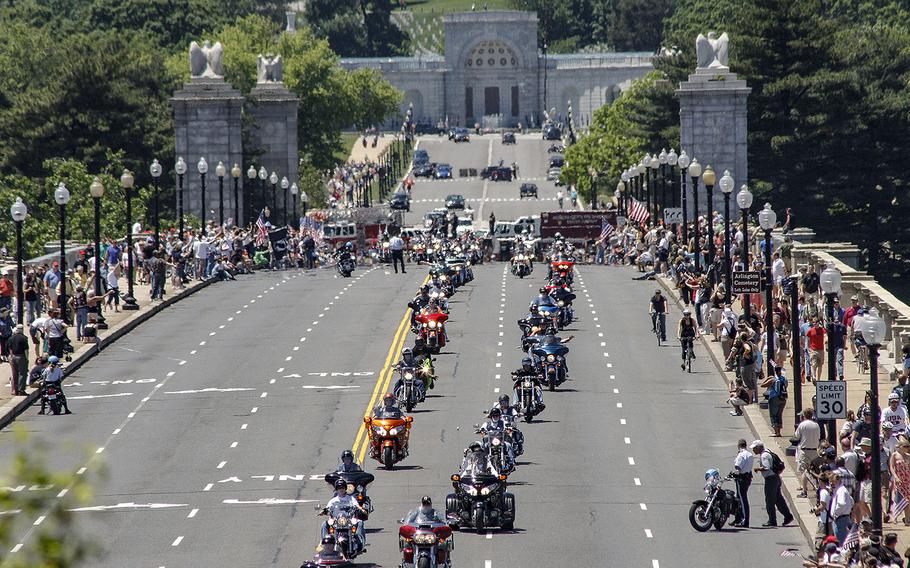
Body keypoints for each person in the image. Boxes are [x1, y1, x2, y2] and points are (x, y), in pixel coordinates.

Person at [751, 440, 793, 527]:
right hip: (776, 478)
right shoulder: (768, 452)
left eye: (754, 448)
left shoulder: (764, 456)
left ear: (759, 448)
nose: (753, 450)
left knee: (769, 500)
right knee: (778, 499)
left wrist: (757, 469)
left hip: (771, 480)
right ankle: (788, 516)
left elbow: (766, 468)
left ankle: (772, 520)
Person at [320, 478, 366, 551]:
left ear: (345, 489)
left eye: (342, 488)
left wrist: (361, 509)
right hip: (337, 520)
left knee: (360, 523)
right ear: (336, 490)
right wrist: (323, 511)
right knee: (324, 524)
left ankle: (360, 542)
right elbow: (327, 507)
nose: (341, 490)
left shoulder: (351, 498)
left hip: (348, 519)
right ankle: (325, 544)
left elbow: (356, 505)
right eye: (339, 488)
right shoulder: (333, 500)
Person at [794, 408, 821, 498]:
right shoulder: (816, 425)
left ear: (804, 415)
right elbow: (819, 436)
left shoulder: (802, 425)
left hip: (804, 450)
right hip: (814, 450)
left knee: (804, 472)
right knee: (815, 470)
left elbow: (797, 436)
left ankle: (804, 491)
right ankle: (817, 488)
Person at [761, 365, 789, 437]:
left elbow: (762, 385)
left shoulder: (773, 379)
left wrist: (768, 378)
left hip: (774, 398)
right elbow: (786, 386)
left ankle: (776, 432)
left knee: (773, 415)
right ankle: (779, 431)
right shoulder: (784, 379)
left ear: (775, 371)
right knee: (779, 414)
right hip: (783, 398)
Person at [731, 438, 753, 527]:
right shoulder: (749, 454)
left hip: (742, 479)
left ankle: (744, 520)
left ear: (739, 446)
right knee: (738, 499)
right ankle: (738, 518)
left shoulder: (741, 455)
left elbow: (738, 468)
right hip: (747, 478)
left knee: (742, 500)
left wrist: (733, 473)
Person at [829, 472, 854, 544]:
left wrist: (835, 514)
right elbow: (851, 501)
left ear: (838, 481)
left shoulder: (841, 491)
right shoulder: (840, 489)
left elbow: (841, 504)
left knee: (841, 542)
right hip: (843, 518)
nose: (831, 484)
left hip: (840, 519)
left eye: (833, 482)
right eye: (830, 482)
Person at [8, 324, 29, 396]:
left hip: (13, 356)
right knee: (22, 373)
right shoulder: (24, 338)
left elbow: (10, 348)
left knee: (15, 373)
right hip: (21, 356)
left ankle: (15, 390)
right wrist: (27, 358)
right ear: (22, 329)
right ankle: (21, 390)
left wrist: (11, 357)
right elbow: (26, 350)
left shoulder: (11, 338)